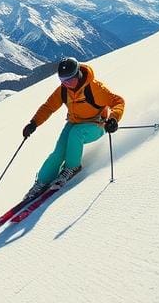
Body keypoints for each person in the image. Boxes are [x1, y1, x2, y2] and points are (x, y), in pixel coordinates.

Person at [21, 57, 124, 199]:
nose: (66, 84)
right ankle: (41, 182)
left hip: (97, 125)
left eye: (69, 80)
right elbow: (49, 107)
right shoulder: (64, 89)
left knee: (76, 134)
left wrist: (113, 118)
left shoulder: (94, 88)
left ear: (78, 75)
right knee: (58, 152)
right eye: (63, 81)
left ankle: (72, 167)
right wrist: (34, 123)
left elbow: (118, 101)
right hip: (74, 122)